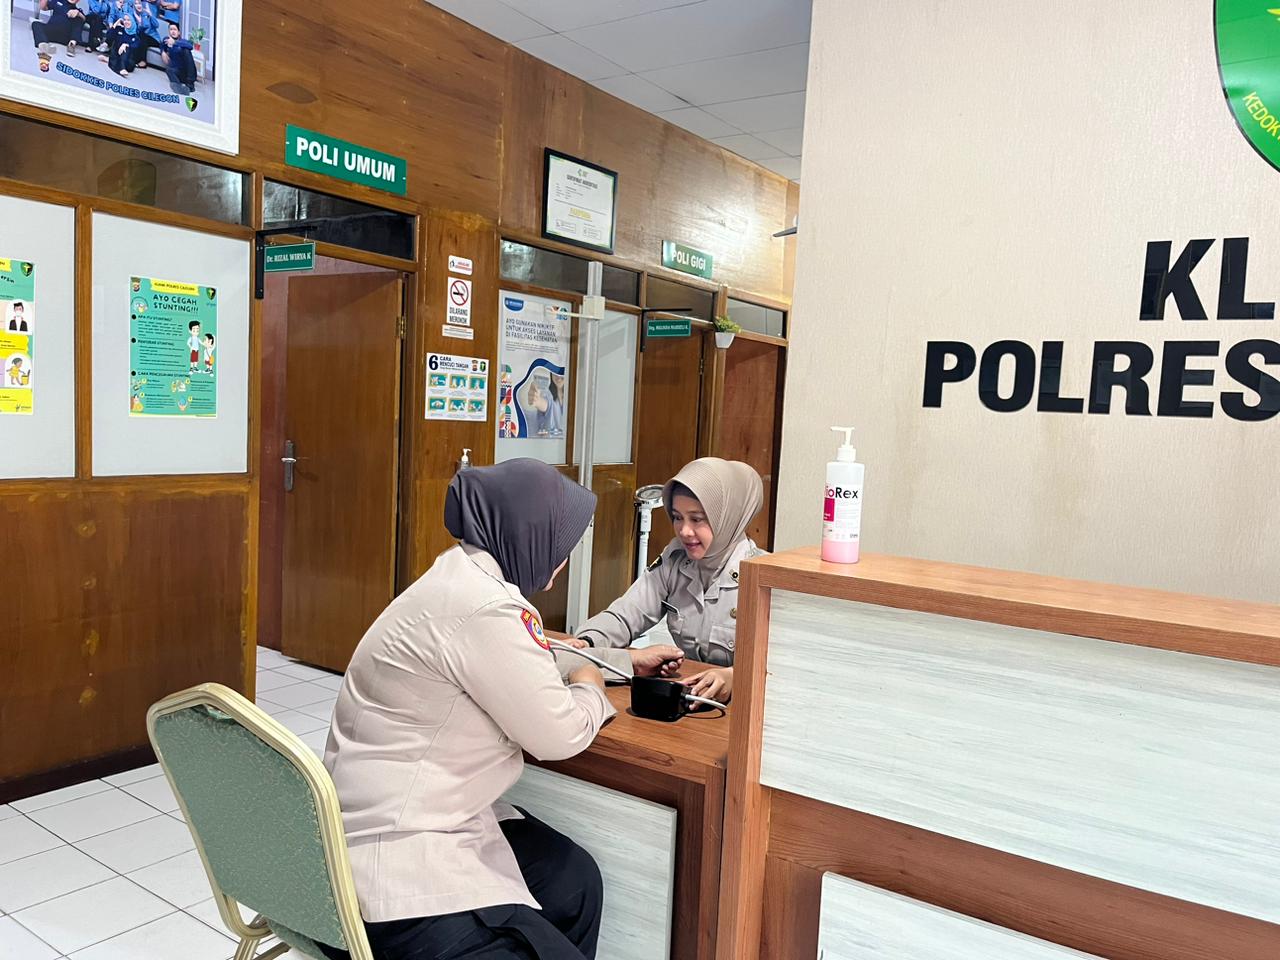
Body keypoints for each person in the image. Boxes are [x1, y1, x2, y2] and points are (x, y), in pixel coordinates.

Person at [320, 459, 641, 960]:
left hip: (366, 829)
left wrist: (623, 661)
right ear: (530, 536)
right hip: (395, 874)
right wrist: (591, 686)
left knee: (573, 879)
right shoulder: (488, 608)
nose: (562, 562)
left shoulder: (458, 575)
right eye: (561, 547)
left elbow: (518, 657)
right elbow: (560, 734)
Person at [572, 458, 766, 705]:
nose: (684, 531)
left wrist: (734, 677)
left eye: (697, 519)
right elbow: (626, 614)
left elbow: (777, 669)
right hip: (685, 702)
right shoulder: (675, 560)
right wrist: (587, 642)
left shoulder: (762, 577)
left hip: (743, 711)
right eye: (677, 517)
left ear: (728, 517)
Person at [102, 11, 136, 75]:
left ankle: (107, 59)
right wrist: (116, 23)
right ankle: (122, 69)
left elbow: (136, 45)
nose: (126, 22)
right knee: (116, 61)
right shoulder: (120, 29)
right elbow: (109, 36)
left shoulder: (135, 34)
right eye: (125, 20)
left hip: (128, 60)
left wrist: (125, 45)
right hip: (116, 56)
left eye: (128, 20)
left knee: (126, 48)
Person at [129, 0, 162, 67]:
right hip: (142, 39)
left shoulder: (146, 14)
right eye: (136, 4)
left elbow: (156, 25)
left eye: (139, 3)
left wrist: (150, 14)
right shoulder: (133, 16)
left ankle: (143, 61)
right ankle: (131, 60)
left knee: (142, 36)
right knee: (138, 38)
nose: (138, 5)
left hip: (154, 39)